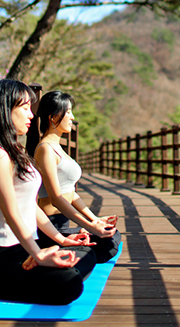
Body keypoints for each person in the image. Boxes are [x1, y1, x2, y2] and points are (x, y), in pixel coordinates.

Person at [0, 79, 97, 305]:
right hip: (1, 260)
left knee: (86, 255)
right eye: (24, 108)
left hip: (25, 250)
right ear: (5, 108)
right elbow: (12, 213)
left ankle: (41, 262)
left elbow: (30, 205)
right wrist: (39, 255)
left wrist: (62, 239)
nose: (31, 115)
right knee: (70, 282)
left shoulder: (17, 152)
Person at [34, 90, 121, 264]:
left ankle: (78, 246)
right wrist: (90, 227)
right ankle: (67, 249)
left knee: (112, 235)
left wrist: (94, 219)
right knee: (106, 244)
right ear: (53, 117)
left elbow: (71, 193)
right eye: (68, 112)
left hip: (65, 223)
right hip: (50, 227)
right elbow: (56, 198)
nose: (72, 117)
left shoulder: (57, 148)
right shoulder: (45, 149)